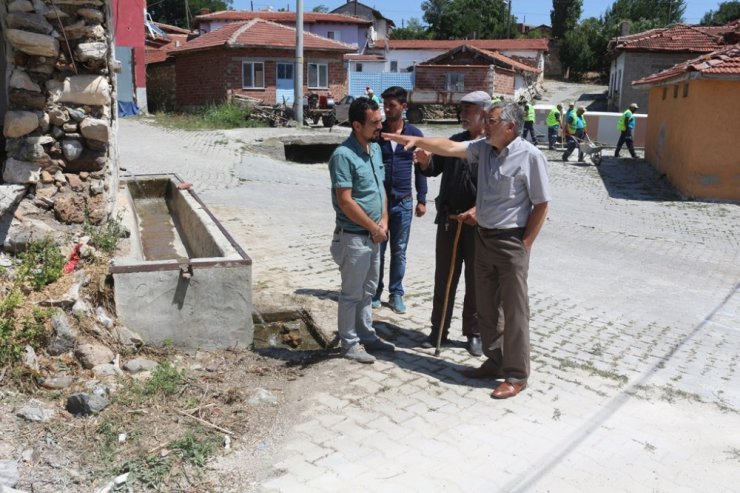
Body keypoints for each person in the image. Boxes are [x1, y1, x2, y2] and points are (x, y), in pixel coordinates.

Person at [381, 102, 551, 399]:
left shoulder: (530, 156)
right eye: (486, 119)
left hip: (511, 241)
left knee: (514, 311)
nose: (486, 125)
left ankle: (516, 374)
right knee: (485, 307)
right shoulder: (483, 147)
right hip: (483, 238)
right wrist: (417, 141)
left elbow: (541, 204)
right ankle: (495, 360)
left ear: (510, 126)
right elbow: (447, 147)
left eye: (492, 120)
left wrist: (525, 245)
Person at [416, 91, 488, 356]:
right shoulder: (455, 142)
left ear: (483, 113)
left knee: (476, 282)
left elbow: (500, 189)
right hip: (449, 221)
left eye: (468, 110)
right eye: (462, 109)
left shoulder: (492, 146)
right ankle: (438, 330)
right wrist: (425, 162)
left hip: (477, 226)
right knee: (444, 278)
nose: (463, 114)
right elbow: (433, 168)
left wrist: (479, 210)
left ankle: (474, 333)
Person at [329, 97, 396, 364]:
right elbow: (346, 201)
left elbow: (380, 191)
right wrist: (373, 227)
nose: (380, 126)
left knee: (368, 290)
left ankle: (366, 334)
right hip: (354, 238)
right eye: (374, 122)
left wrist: (384, 222)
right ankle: (349, 343)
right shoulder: (342, 156)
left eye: (380, 120)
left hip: (375, 234)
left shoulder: (375, 149)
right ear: (357, 125)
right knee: (351, 293)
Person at [372, 86, 428, 314]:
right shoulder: (378, 134)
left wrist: (422, 199)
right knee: (378, 249)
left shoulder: (414, 135)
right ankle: (375, 292)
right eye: (385, 105)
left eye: (392, 105)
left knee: (400, 250)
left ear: (403, 107)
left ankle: (396, 294)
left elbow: (422, 168)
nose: (387, 109)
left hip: (404, 202)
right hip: (380, 204)